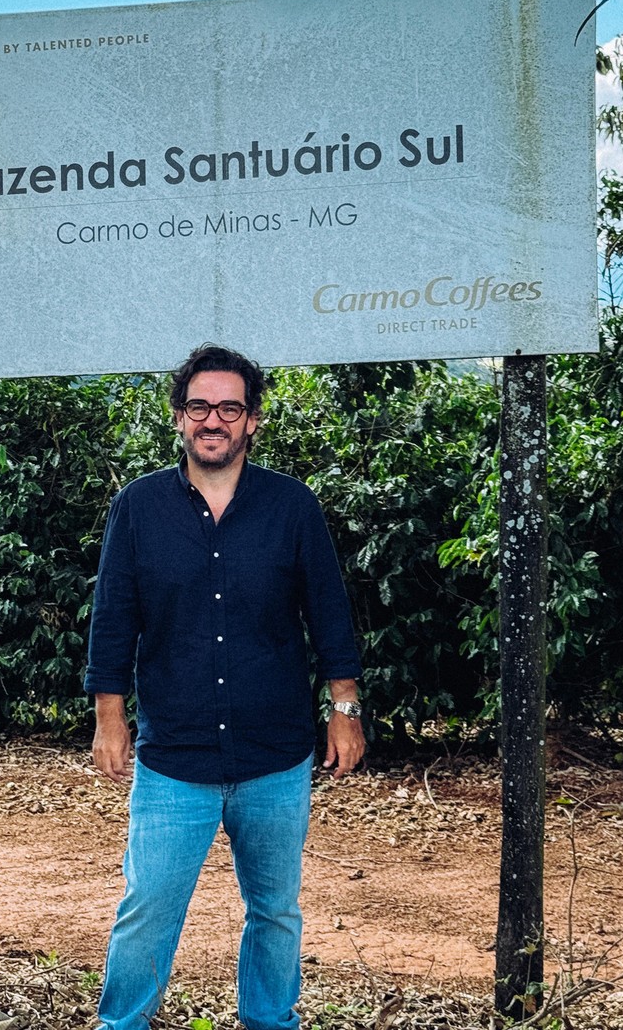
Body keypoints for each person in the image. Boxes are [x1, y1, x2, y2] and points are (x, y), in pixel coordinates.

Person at [84, 344, 365, 1030]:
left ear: (252, 421)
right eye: (200, 406)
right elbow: (114, 615)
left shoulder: (292, 507)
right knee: (149, 906)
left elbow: (329, 611)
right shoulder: (140, 507)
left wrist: (344, 707)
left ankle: (271, 1022)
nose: (214, 419)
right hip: (174, 757)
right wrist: (109, 715)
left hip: (276, 756)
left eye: (229, 407)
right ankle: (121, 1025)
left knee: (275, 910)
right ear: (179, 418)